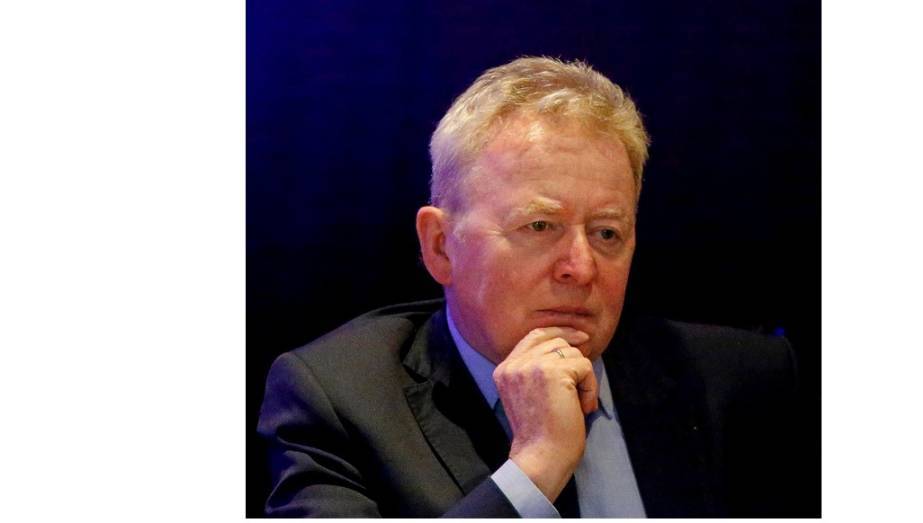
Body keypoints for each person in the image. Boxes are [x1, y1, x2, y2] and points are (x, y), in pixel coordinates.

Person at [258, 56, 803, 517]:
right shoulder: (338, 401)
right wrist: (535, 467)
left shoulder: (739, 382)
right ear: (441, 246)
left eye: (607, 232)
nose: (581, 268)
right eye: (540, 226)